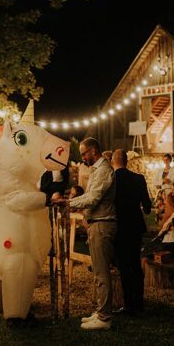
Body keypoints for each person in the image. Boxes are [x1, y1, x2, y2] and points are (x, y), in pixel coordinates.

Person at [68, 137, 116, 331]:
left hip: (103, 223)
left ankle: (104, 318)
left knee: (102, 273)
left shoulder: (104, 170)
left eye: (84, 154)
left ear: (93, 151)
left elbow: (93, 198)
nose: (83, 158)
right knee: (97, 272)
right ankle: (99, 311)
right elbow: (88, 195)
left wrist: (69, 203)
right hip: (97, 222)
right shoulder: (97, 169)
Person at [111, 148, 151, 316]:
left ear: (113, 161)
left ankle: (128, 304)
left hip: (119, 227)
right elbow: (147, 207)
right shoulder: (139, 178)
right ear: (127, 161)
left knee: (123, 266)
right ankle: (139, 303)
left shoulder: (111, 179)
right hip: (135, 226)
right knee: (135, 264)